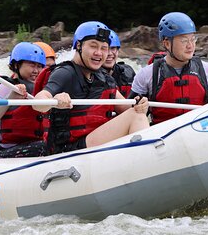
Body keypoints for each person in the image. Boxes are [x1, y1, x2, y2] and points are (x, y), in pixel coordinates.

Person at [32, 21, 150, 154]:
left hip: (92, 143)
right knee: (135, 116)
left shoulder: (104, 78)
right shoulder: (65, 73)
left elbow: (128, 109)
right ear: (79, 45)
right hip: (68, 149)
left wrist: (141, 105)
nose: (99, 53)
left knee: (137, 113)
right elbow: (38, 102)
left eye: (104, 48)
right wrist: (54, 101)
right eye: (93, 46)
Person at [130, 12, 208, 124]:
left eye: (192, 39)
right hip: (163, 135)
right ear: (167, 44)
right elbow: (131, 116)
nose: (190, 46)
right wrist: (139, 109)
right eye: (184, 40)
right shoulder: (146, 74)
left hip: (200, 132)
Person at [0, 42, 48, 158]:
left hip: (30, 145)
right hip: (1, 150)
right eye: (32, 65)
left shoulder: (42, 90)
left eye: (39, 66)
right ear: (17, 65)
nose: (36, 71)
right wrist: (9, 99)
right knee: (45, 146)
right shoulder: (5, 87)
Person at [102, 30, 136, 97]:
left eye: (113, 48)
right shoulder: (89, 77)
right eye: (104, 49)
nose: (109, 53)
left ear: (118, 51)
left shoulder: (128, 72)